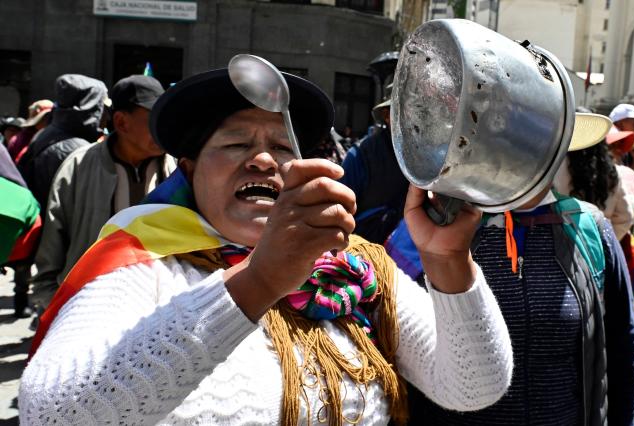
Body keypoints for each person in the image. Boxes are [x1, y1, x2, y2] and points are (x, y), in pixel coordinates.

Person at [19, 68, 513, 425]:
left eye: (281, 147)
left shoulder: (359, 266)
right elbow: (52, 413)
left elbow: (472, 387)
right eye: (235, 145)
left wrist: (449, 262)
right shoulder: (143, 265)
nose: (261, 160)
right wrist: (259, 280)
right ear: (189, 171)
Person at [385, 113, 634, 425]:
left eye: (538, 138)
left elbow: (622, 350)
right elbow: (391, 335)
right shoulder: (433, 226)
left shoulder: (590, 228)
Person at [29, 75, 176, 310]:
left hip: (157, 308)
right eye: (153, 120)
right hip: (86, 306)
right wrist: (51, 304)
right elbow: (52, 244)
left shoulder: (177, 169)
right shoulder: (78, 166)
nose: (163, 128)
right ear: (121, 122)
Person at [17, 74, 108, 211]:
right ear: (92, 108)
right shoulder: (76, 149)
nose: (107, 114)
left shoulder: (49, 133)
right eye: (102, 106)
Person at [554, 113, 634, 240]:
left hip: (564, 242)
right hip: (599, 245)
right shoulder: (612, 171)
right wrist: (604, 241)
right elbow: (625, 217)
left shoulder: (557, 167)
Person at [340, 98, 409, 244]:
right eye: (407, 109)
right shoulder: (360, 155)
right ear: (387, 115)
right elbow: (339, 214)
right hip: (364, 254)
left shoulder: (428, 157)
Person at [0, 143, 41, 317]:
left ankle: (21, 301)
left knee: (23, 267)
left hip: (16, 213)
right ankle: (21, 302)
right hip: (17, 211)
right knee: (23, 265)